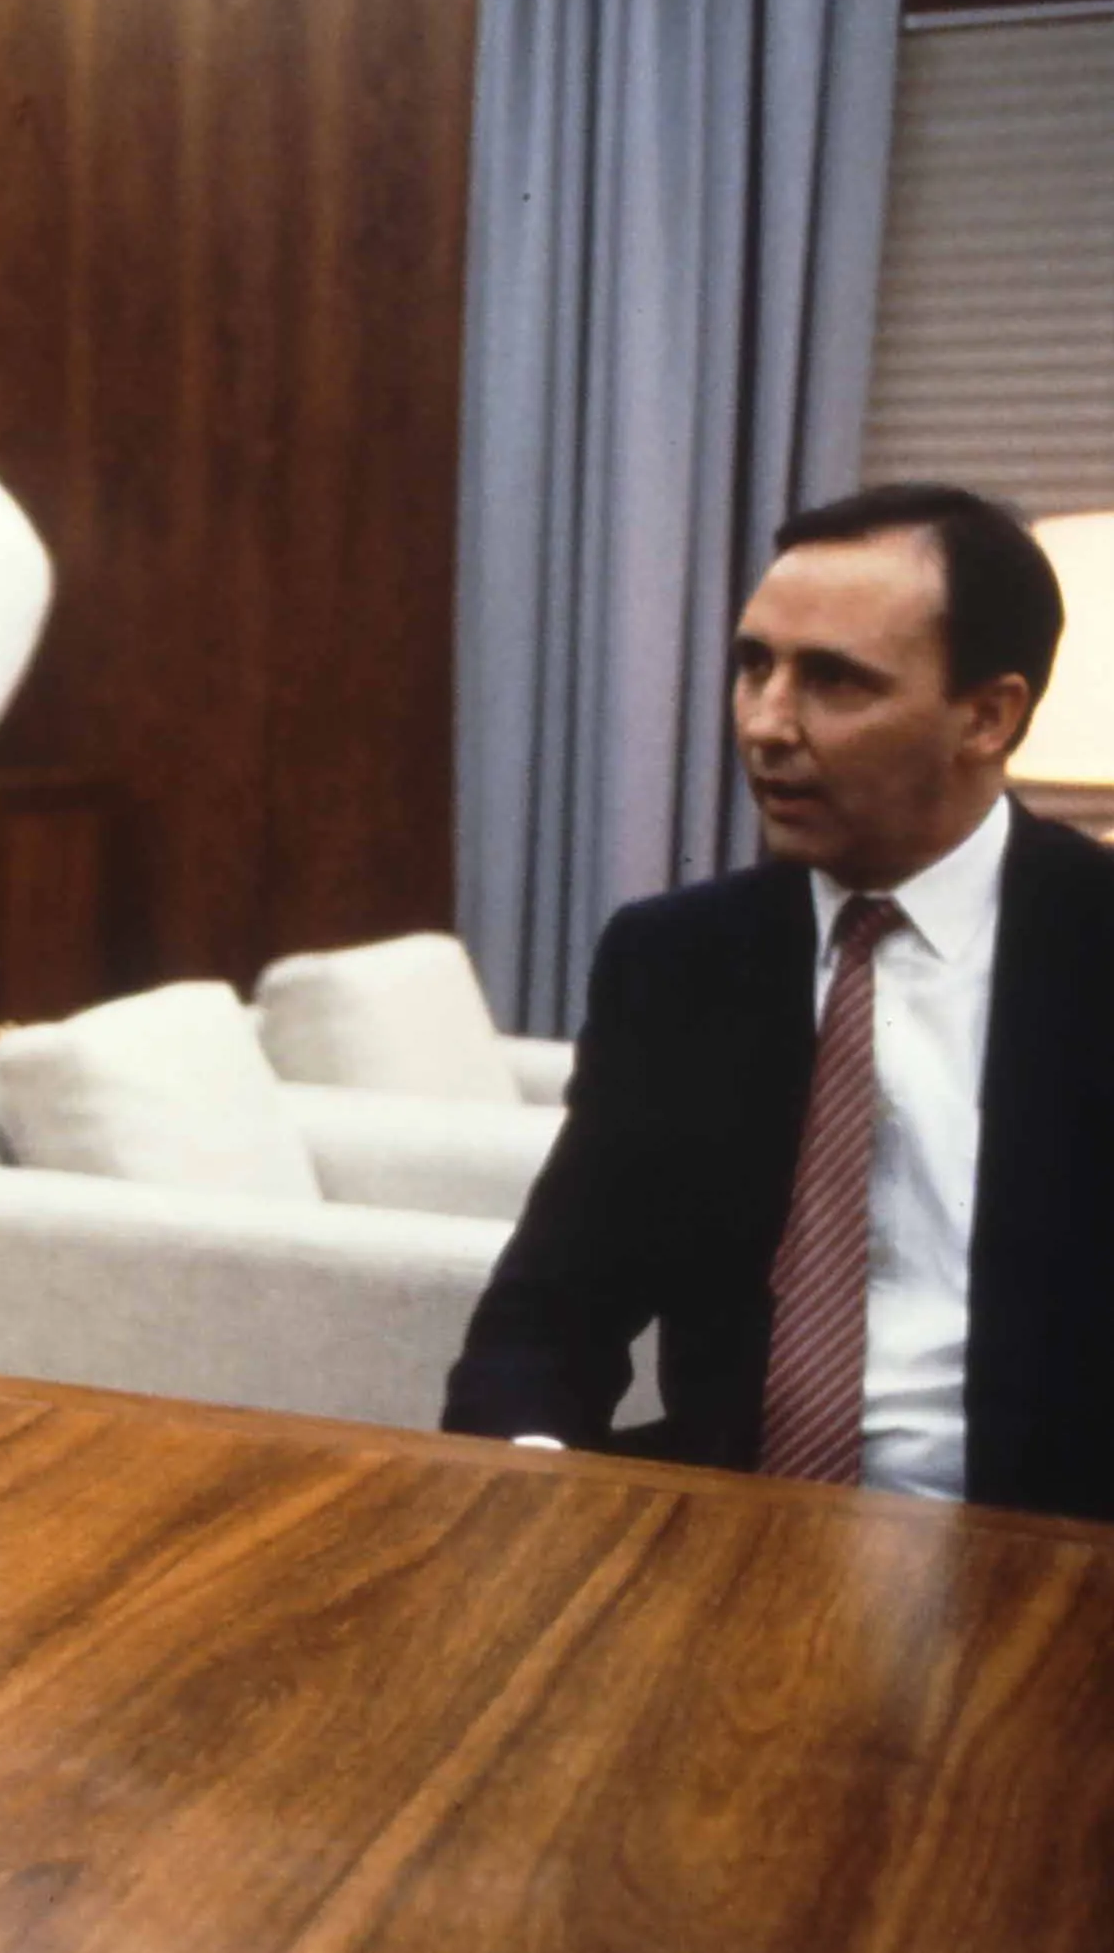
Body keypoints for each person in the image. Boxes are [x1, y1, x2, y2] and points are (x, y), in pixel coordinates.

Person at [445, 483, 1114, 1524]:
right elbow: (550, 1309)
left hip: (1043, 1554)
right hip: (724, 1533)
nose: (764, 723)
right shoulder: (676, 955)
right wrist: (530, 1491)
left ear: (986, 715)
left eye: (832, 681)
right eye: (754, 665)